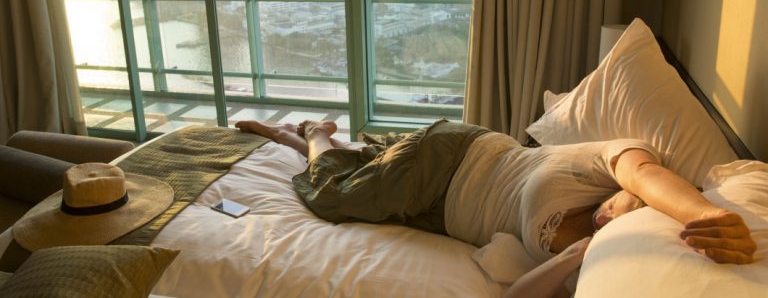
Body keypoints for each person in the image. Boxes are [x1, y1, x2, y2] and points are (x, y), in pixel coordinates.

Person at [236, 119, 756, 297]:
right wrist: (702, 215)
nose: (610, 216)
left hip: (439, 213)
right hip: (453, 159)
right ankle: (314, 134)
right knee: (333, 199)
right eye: (622, 206)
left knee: (364, 185)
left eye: (620, 224)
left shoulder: (594, 261)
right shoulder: (610, 160)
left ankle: (304, 142)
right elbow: (645, 175)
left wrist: (579, 251)